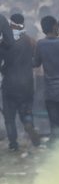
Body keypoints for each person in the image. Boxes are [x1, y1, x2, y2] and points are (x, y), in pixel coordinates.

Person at [1, 14, 39, 150]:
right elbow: (36, 61)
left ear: (10, 25)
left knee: (9, 117)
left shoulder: (4, 43)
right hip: (27, 83)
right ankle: (28, 124)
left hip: (10, 84)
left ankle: (13, 144)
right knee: (27, 112)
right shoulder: (30, 41)